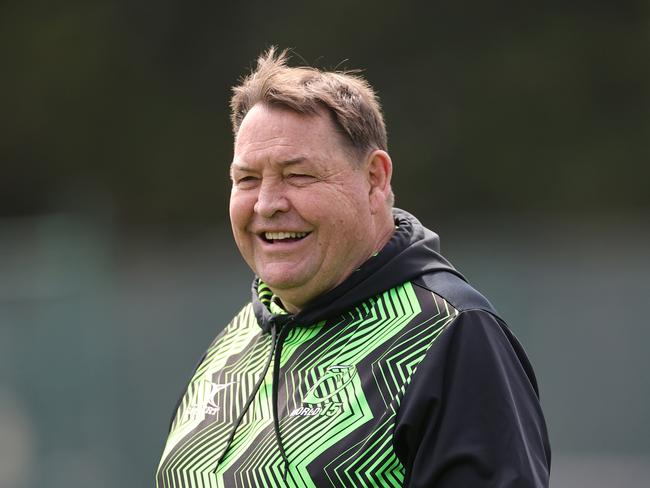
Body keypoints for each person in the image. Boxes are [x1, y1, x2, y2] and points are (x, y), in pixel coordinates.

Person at [156, 47, 551, 487]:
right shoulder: (236, 340)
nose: (267, 204)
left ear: (375, 179)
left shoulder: (451, 337)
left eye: (297, 175)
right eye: (247, 179)